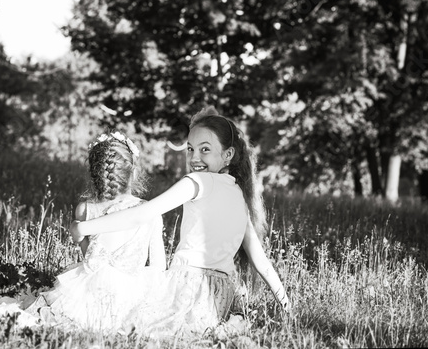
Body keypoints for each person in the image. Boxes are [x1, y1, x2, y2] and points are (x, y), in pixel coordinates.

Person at [70, 107, 289, 337]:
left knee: (120, 320)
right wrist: (286, 306)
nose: (195, 158)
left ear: (228, 154)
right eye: (191, 149)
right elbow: (260, 260)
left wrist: (85, 227)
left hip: (188, 287)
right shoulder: (240, 195)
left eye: (205, 149)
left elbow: (143, 213)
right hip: (220, 297)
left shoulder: (197, 182)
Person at [0, 131, 166, 332]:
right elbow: (159, 267)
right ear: (134, 171)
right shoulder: (151, 212)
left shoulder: (86, 210)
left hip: (86, 294)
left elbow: (90, 259)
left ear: (94, 174)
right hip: (131, 296)